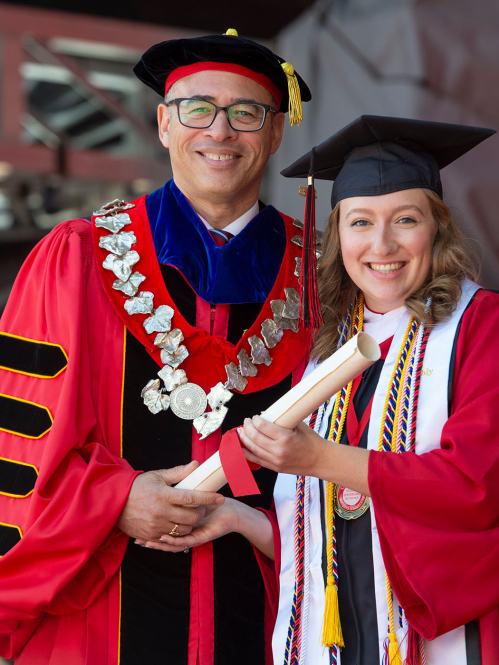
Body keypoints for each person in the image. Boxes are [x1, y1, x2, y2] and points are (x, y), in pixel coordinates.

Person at [0, 30, 313, 665]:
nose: (219, 132)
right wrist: (113, 501)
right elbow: (19, 446)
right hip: (102, 616)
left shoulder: (327, 277)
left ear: (277, 133)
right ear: (165, 124)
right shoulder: (79, 258)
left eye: (246, 113)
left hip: (273, 618)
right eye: (198, 109)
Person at [159, 116, 499, 665]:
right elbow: (333, 534)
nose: (381, 245)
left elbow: (476, 490)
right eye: (360, 222)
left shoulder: (482, 326)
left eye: (405, 220)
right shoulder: (324, 349)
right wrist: (242, 520)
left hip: (447, 643)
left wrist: (320, 458)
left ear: (436, 228)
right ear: (336, 236)